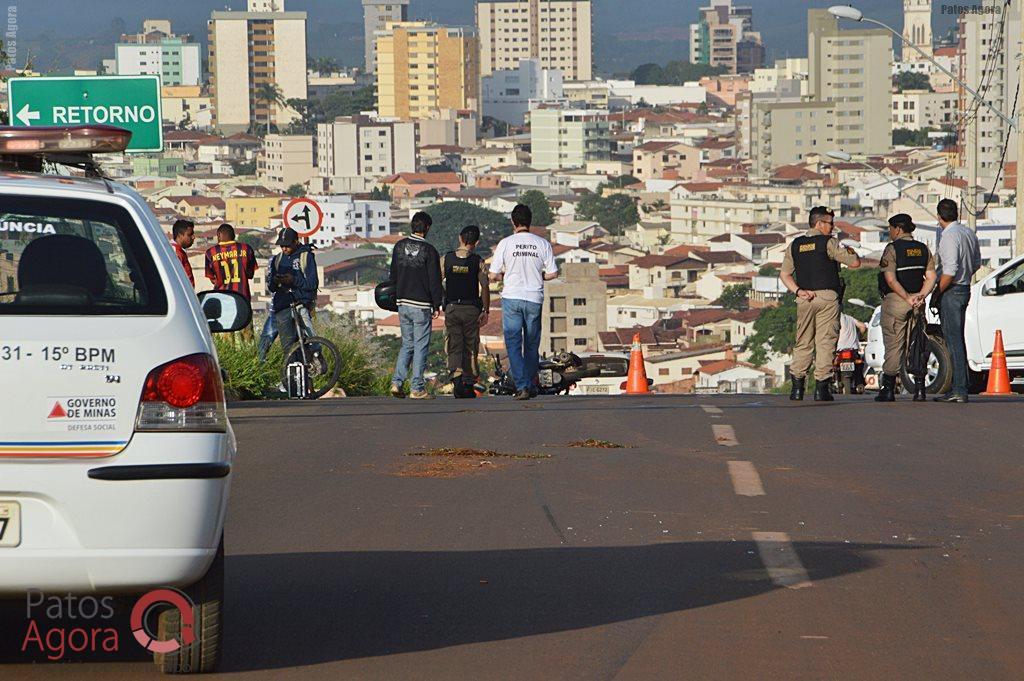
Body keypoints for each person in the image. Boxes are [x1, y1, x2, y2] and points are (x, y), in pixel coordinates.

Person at [780, 206, 861, 401]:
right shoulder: (829, 243)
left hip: (804, 298)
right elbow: (855, 263)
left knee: (803, 342)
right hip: (826, 297)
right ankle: (821, 388)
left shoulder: (795, 244)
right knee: (825, 342)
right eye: (830, 223)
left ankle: (797, 388)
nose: (832, 227)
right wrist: (850, 251)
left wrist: (799, 291)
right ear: (819, 223)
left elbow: (785, 274)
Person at [489, 204, 558, 400]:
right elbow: (553, 273)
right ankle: (529, 382)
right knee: (531, 344)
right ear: (530, 221)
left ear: (513, 222)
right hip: (534, 297)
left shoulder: (506, 243)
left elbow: (493, 275)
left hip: (512, 297)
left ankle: (522, 385)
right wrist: (540, 276)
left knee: (513, 343)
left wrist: (505, 275)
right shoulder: (542, 243)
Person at [875, 213, 937, 403]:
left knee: (894, 345)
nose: (890, 233)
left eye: (891, 229)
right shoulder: (922, 249)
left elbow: (890, 279)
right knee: (917, 344)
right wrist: (921, 296)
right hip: (918, 302)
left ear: (898, 229)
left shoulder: (892, 249)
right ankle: (920, 389)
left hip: (897, 302)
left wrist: (907, 298)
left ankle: (888, 389)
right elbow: (932, 276)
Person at [930, 199, 981, 403]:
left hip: (952, 290)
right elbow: (976, 263)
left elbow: (949, 271)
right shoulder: (968, 233)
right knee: (958, 339)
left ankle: (959, 389)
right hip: (965, 287)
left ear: (939, 216)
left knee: (953, 341)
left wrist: (937, 293)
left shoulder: (948, 236)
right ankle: (962, 384)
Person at [389, 211, 443, 400]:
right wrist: (437, 304)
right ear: (427, 228)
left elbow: (392, 276)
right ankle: (417, 387)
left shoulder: (399, 246)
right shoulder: (430, 251)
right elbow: (434, 281)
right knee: (421, 346)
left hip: (402, 303)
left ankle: (397, 382)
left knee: (407, 345)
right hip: (421, 305)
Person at [442, 225, 491, 393]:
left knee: (454, 344)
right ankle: (469, 381)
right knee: (470, 346)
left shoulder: (447, 259)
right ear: (476, 242)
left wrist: (443, 299)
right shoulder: (478, 261)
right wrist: (486, 310)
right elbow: (485, 286)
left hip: (452, 308)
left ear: (459, 238)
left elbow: (436, 281)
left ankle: (456, 378)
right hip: (471, 309)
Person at [268, 227, 319, 356]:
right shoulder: (277, 259)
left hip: (301, 303)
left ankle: (317, 358)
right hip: (283, 306)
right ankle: (292, 369)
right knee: (287, 347)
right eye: (282, 246)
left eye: (287, 245)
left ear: (296, 242)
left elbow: (312, 284)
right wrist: (275, 281)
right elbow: (271, 288)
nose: (284, 249)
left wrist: (293, 280)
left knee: (311, 337)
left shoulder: (306, 256)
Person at [204, 223, 258, 339]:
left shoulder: (210, 253)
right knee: (247, 340)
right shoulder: (246, 249)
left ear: (218, 235)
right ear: (233, 235)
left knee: (226, 341)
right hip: (242, 300)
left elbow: (213, 280)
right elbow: (250, 274)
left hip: (223, 302)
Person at [837, 311, 868, 391]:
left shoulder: (833, 317)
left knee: (832, 365)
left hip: (839, 349)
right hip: (852, 350)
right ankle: (860, 383)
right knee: (860, 364)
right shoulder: (850, 318)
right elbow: (863, 326)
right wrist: (858, 336)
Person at [170, 219, 195, 289]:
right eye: (190, 235)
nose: (193, 237)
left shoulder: (179, 251)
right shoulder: (174, 252)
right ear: (180, 235)